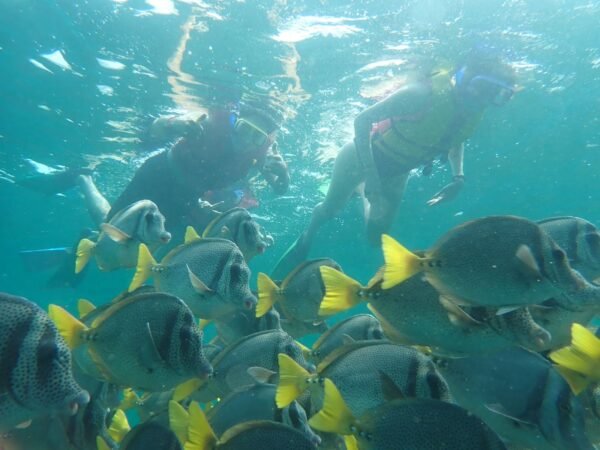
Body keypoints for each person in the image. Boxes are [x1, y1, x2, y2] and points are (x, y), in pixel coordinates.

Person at [273, 51, 516, 278]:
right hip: (360, 158)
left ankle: (363, 193)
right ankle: (306, 238)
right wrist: (373, 177)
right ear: (464, 78)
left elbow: (455, 139)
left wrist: (458, 178)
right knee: (329, 211)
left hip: (398, 171)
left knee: (376, 236)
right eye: (482, 87)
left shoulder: (472, 113)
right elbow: (362, 120)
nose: (485, 99)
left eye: (499, 95)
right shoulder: (421, 95)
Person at [78, 104, 290, 236]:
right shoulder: (209, 122)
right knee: (109, 227)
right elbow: (153, 127)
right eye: (245, 129)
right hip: (158, 174)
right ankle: (84, 178)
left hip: (187, 196)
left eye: (256, 137)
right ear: (235, 122)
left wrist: (285, 176)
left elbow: (280, 189)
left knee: (152, 239)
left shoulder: (266, 156)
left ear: (265, 141)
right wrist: (175, 124)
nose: (247, 140)